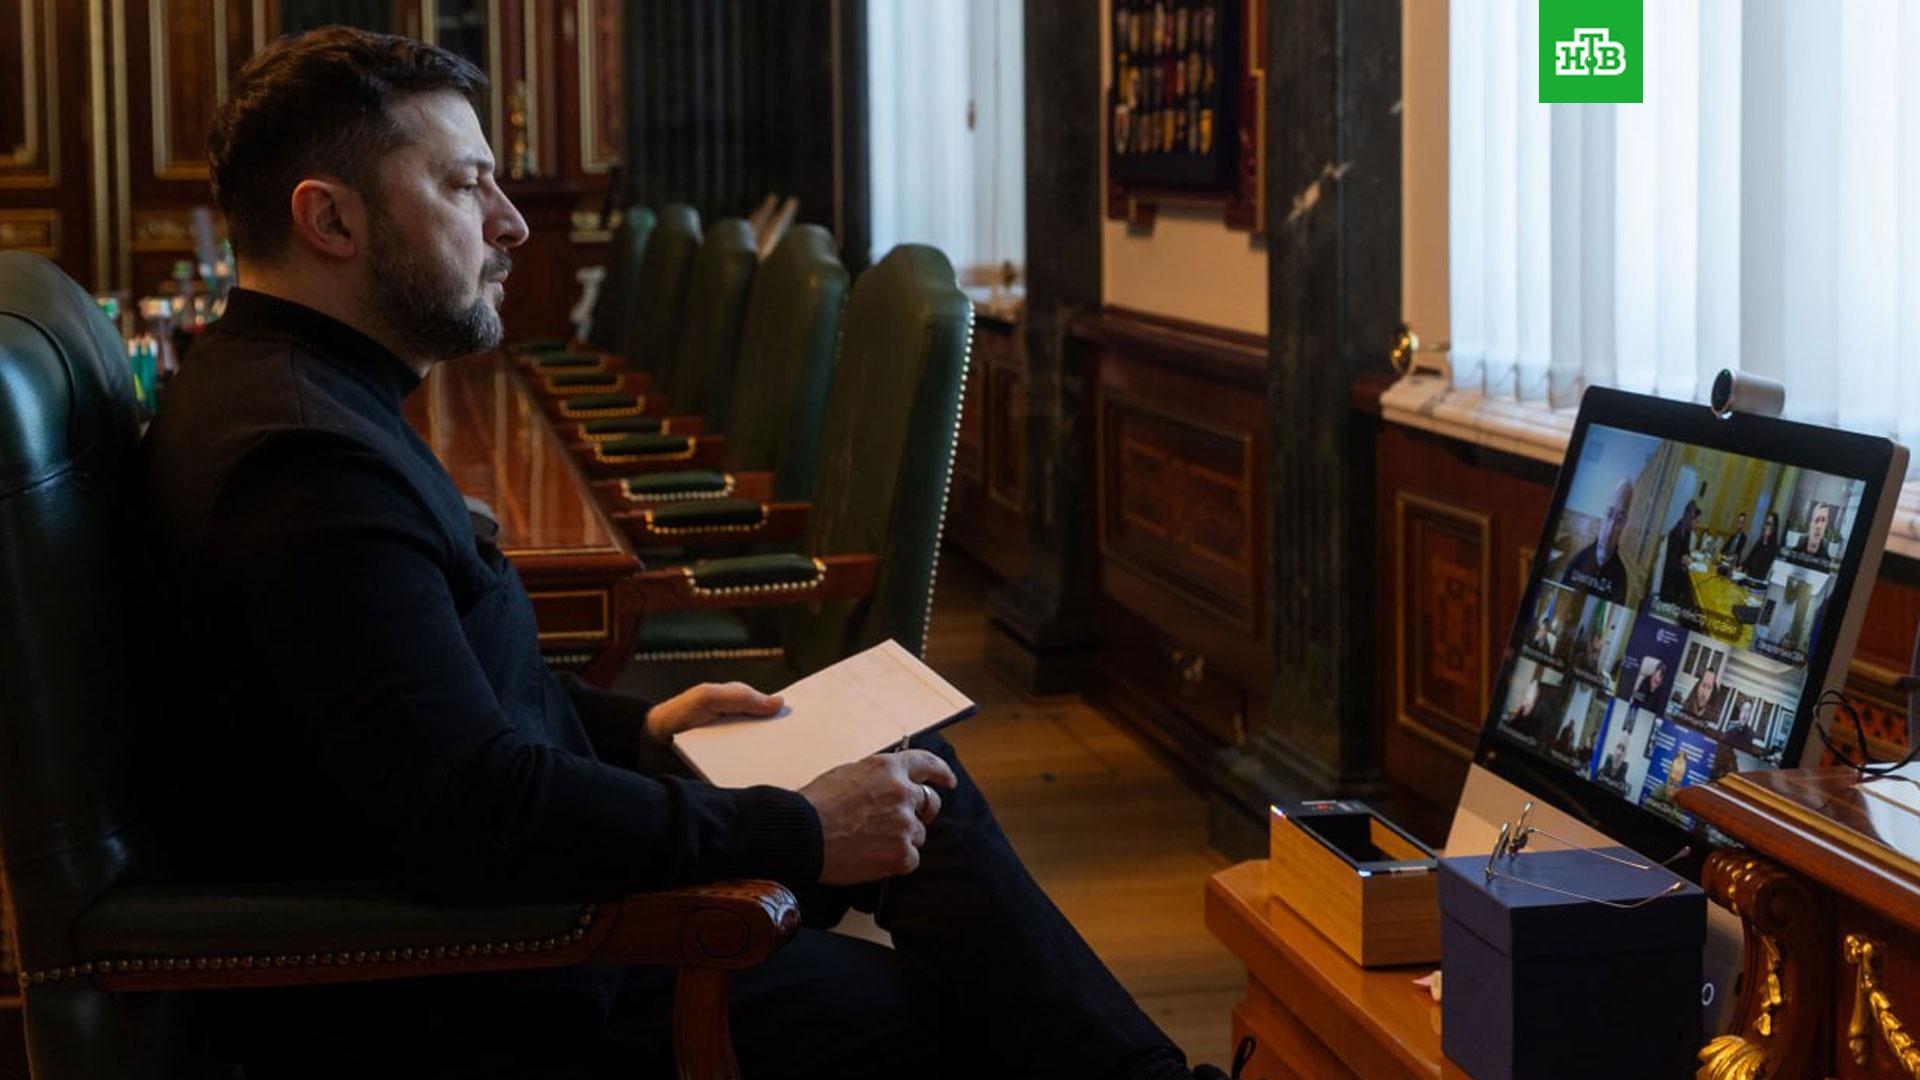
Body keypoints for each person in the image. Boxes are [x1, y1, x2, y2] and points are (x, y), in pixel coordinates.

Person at [136, 28, 1232, 1080]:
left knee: (914, 767)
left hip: (503, 908)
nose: (511, 223)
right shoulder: (308, 466)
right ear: (330, 219)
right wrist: (800, 830)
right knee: (958, 1021)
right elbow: (475, 813)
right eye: (467, 187)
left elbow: (438, 706)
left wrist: (647, 731)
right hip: (492, 978)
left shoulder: (299, 397)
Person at [1559, 478, 1634, 604]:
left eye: (1619, 519)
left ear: (1624, 525)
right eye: (1609, 514)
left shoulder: (1620, 578)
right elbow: (1560, 602)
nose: (1610, 528)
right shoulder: (1578, 561)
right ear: (1603, 516)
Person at [1657, 500, 1701, 611]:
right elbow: (1670, 564)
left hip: (1678, 571)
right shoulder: (1675, 533)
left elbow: (1686, 552)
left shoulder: (1687, 531)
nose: (1696, 524)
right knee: (1692, 588)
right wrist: (1682, 561)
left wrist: (1687, 558)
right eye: (1694, 520)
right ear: (1688, 517)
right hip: (1670, 581)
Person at [1742, 512, 1780, 581]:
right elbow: (1749, 559)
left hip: (1758, 581)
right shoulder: (1759, 542)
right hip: (1748, 577)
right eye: (1766, 523)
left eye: (1769, 524)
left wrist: (1766, 539)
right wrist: (1741, 567)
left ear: (1774, 528)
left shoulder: (1774, 547)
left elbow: (1763, 568)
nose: (1766, 527)